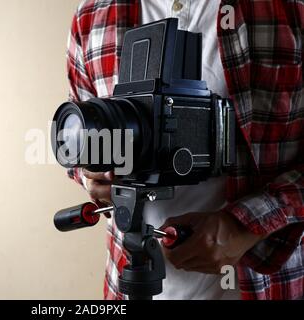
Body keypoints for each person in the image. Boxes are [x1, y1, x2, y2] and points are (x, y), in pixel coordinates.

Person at [65, 0, 304, 300]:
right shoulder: (91, 16)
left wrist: (245, 227)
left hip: (259, 286)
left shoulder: (288, 9)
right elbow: (78, 134)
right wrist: (91, 174)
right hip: (127, 284)